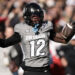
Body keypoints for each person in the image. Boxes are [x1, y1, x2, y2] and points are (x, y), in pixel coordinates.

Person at [0, 3, 75, 75]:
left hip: (30, 71)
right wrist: (71, 26)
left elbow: (4, 43)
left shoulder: (22, 31)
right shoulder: (45, 29)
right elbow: (64, 39)